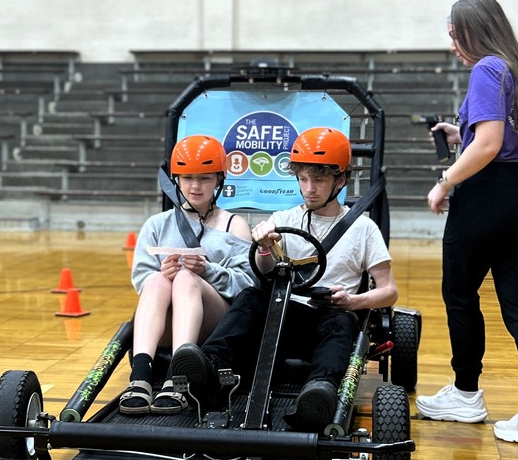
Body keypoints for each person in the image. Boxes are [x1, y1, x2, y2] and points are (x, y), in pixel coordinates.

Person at [168, 127, 399, 431]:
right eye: (303, 179)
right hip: (287, 316)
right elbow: (262, 274)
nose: (309, 188)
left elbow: (389, 291)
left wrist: (353, 301)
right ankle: (209, 365)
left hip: (332, 316)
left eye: (318, 179)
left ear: (340, 181)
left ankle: (318, 392)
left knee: (342, 323)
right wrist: (264, 247)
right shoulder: (283, 219)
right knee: (251, 297)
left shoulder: (363, 228)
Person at [416, 0, 518, 444]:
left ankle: (465, 394)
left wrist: (445, 181)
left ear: (473, 30)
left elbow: (489, 146)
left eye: (454, 35)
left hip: (487, 199)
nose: (452, 46)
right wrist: (459, 133)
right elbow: (498, 139)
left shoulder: (486, 69)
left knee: (460, 295)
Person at [121, 134, 255, 416]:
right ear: (177, 180)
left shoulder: (235, 225)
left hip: (215, 324)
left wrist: (208, 271)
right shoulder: (157, 224)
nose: (195, 186)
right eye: (188, 177)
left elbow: (248, 287)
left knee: (185, 278)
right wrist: (164, 272)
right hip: (165, 321)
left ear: (218, 179)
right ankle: (140, 376)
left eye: (205, 178)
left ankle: (176, 376)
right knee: (157, 279)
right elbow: (141, 280)